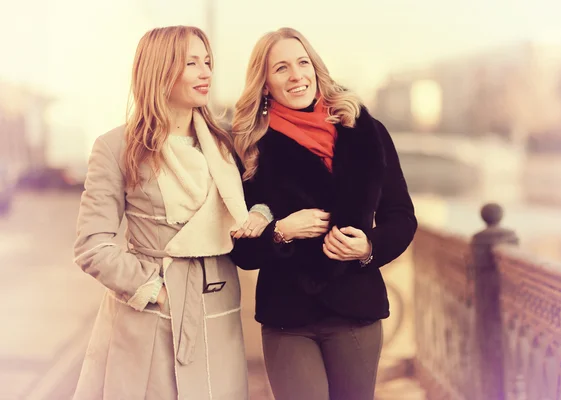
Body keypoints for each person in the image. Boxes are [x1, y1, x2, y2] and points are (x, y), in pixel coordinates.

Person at [72, 25, 268, 400]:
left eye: (207, 62)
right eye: (191, 63)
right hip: (149, 312)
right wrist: (157, 291)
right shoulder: (116, 147)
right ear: (160, 70)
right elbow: (92, 246)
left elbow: (267, 197)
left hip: (218, 307)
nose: (206, 72)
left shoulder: (228, 143)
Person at [230, 27, 418, 400]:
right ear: (265, 84)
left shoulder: (366, 131)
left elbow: (401, 216)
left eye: (303, 63)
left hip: (355, 308)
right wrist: (281, 231)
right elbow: (240, 250)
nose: (297, 75)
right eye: (281, 68)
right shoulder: (250, 146)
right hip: (287, 316)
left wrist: (368, 247)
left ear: (316, 69)